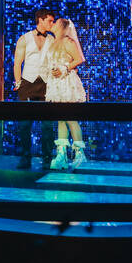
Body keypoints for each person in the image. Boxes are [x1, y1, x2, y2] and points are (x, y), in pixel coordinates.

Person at [12, 8, 56, 168]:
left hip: (46, 83)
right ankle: (25, 155)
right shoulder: (24, 39)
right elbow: (17, 63)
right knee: (25, 123)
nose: (52, 23)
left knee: (47, 123)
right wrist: (18, 82)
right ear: (41, 20)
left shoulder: (52, 40)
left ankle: (47, 157)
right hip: (27, 83)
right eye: (50, 20)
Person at [44, 18, 88, 170]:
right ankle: (61, 155)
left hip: (67, 83)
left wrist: (65, 68)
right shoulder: (53, 42)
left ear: (61, 26)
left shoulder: (68, 41)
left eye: (55, 22)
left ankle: (79, 155)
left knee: (70, 118)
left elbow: (79, 59)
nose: (53, 24)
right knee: (60, 119)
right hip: (56, 84)